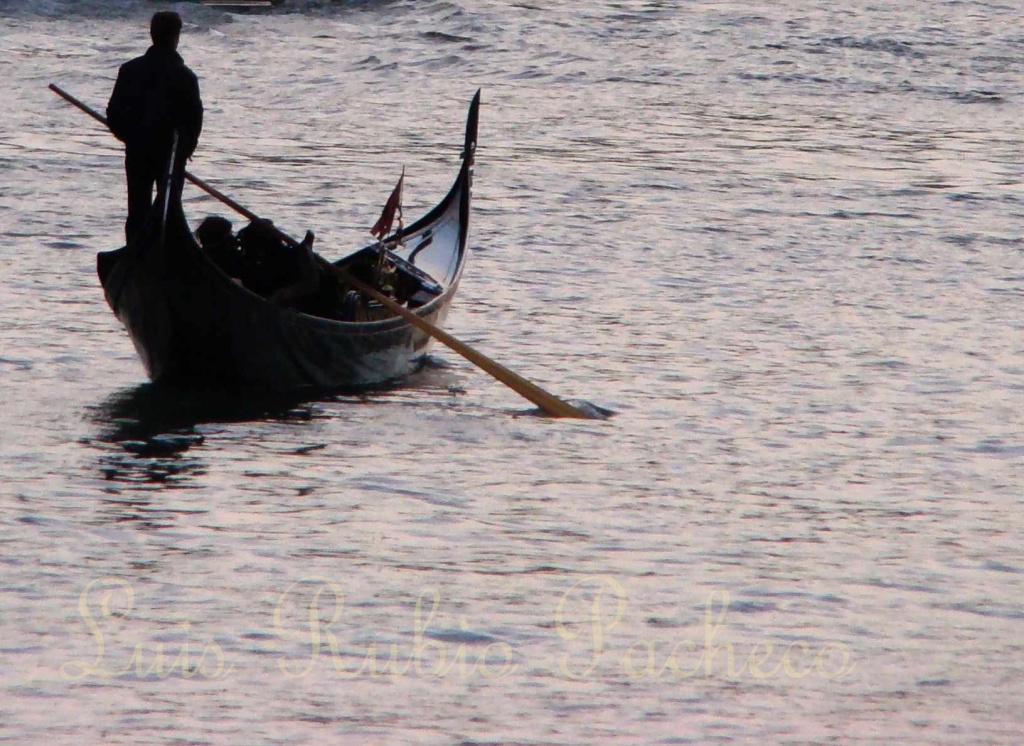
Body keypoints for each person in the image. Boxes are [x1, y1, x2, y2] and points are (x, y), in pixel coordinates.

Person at [107, 11, 203, 242]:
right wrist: (184, 150)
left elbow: (114, 114)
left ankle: (136, 255)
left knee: (138, 211)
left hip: (141, 152)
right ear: (175, 36)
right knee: (169, 213)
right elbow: (194, 121)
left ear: (152, 35)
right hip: (169, 155)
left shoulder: (130, 70)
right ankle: (165, 259)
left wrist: (130, 137)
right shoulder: (185, 77)